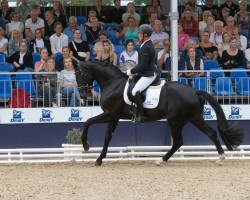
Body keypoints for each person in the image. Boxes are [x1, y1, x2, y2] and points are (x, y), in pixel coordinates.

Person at [126, 24, 161, 123]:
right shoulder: (146, 44)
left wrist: (131, 71)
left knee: (135, 91)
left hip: (149, 73)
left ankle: (141, 115)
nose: (138, 35)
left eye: (140, 33)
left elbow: (143, 65)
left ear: (145, 34)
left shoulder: (147, 46)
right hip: (145, 72)